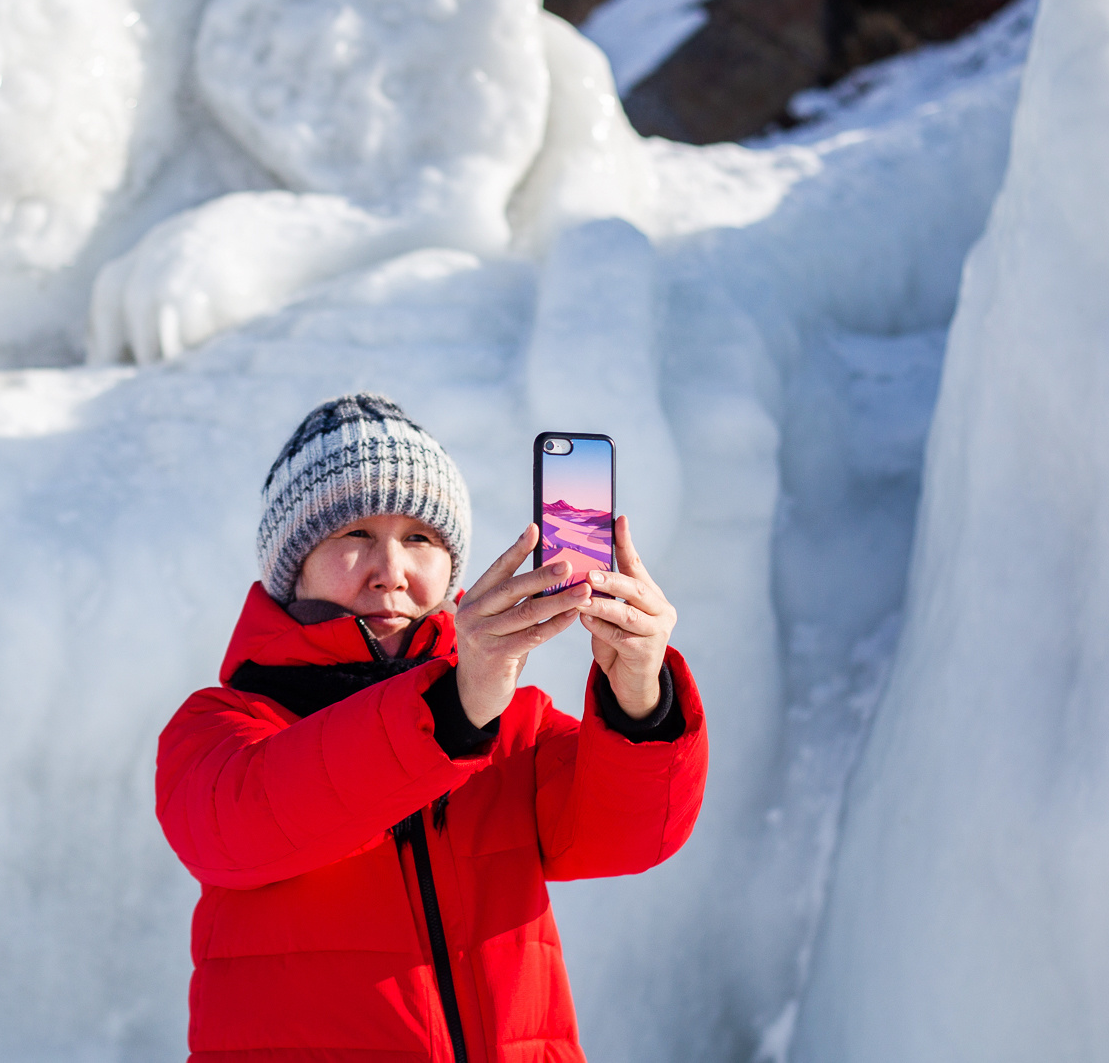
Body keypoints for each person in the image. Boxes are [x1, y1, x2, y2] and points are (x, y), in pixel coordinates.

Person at [157, 393, 708, 1063]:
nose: (391, 572)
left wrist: (639, 697)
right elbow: (243, 821)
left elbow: (631, 836)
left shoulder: (513, 727)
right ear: (291, 563)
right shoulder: (220, 728)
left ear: (451, 568)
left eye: (420, 539)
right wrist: (452, 707)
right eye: (354, 535)